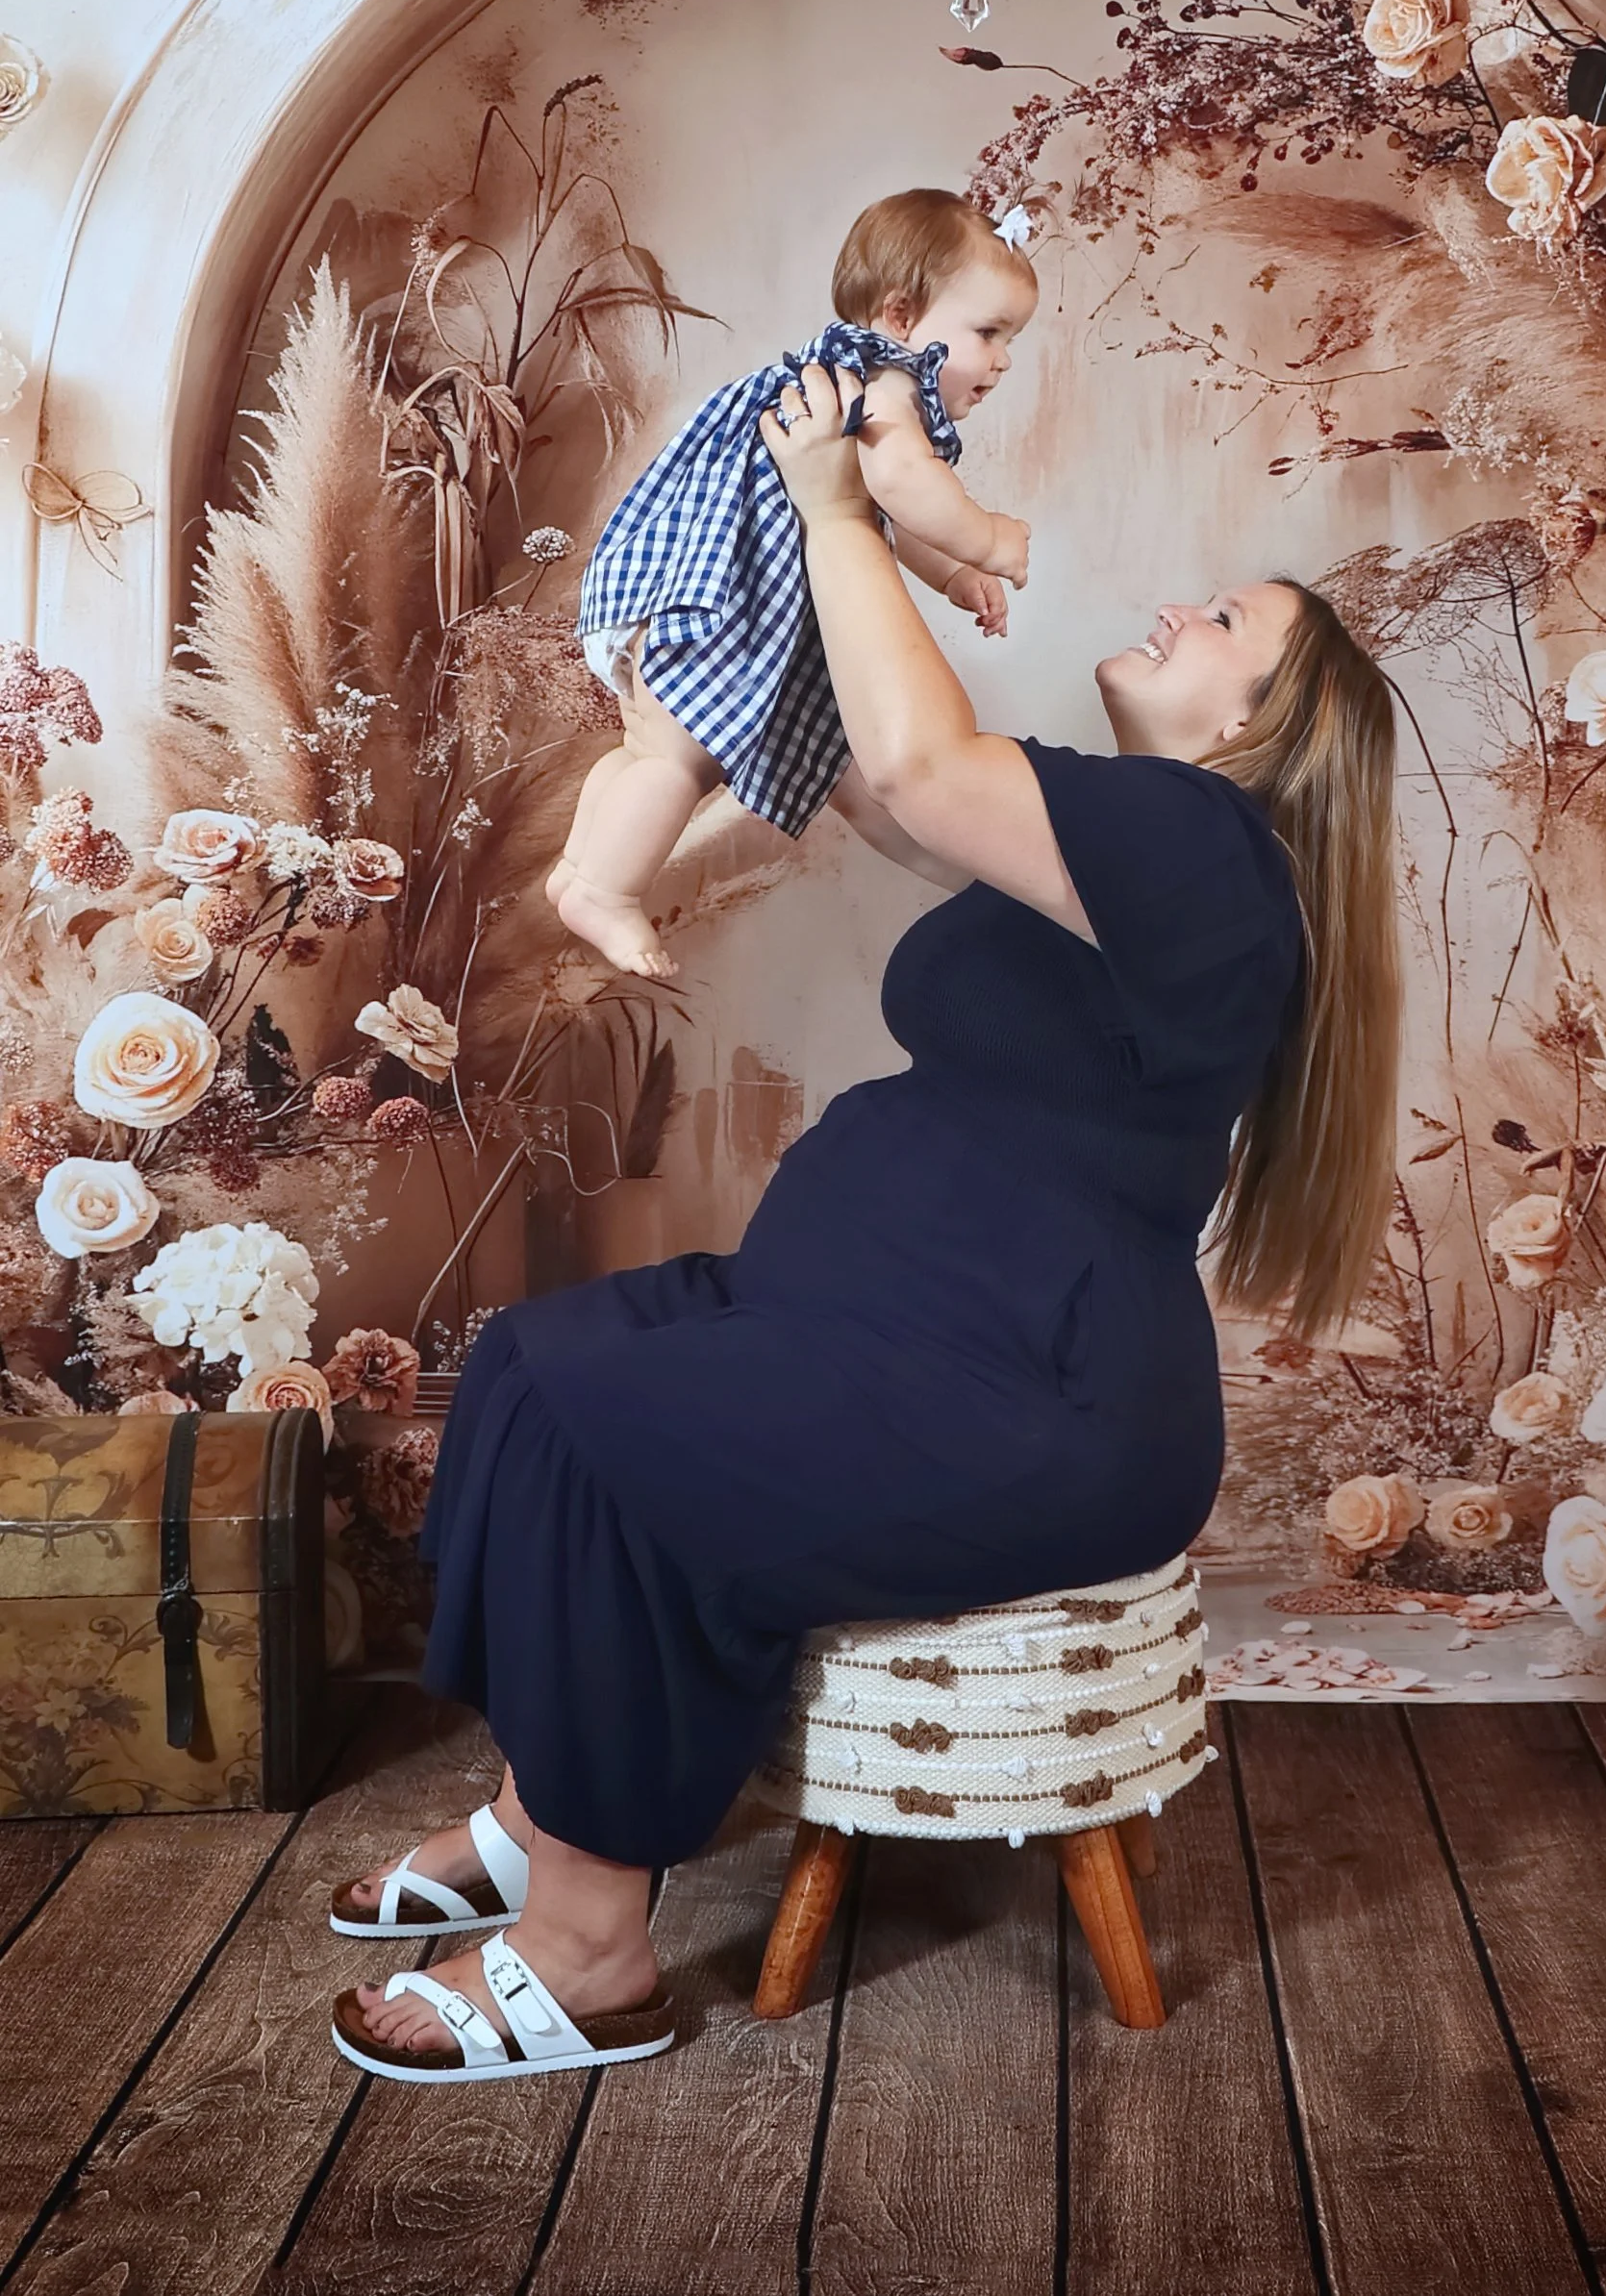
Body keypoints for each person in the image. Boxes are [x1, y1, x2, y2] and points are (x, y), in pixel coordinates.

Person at [329, 360, 1403, 2084]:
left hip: (1025, 1394)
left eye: (1223, 622)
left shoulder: (1208, 846)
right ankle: (545, 1815)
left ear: (1256, 729)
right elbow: (872, 778)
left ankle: (593, 1949)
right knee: (533, 1366)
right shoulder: (1108, 836)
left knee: (610, 1435)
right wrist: (808, 545)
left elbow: (917, 754)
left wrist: (841, 502)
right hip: (897, 1327)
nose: (1177, 608)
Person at [551, 188, 1038, 979]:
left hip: (669, 591)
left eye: (1011, 338)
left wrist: (952, 574)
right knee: (683, 763)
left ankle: (580, 870)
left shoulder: (837, 376)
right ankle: (605, 891)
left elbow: (883, 504)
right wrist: (987, 538)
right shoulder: (889, 380)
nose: (1003, 359)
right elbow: (906, 484)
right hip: (721, 611)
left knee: (643, 746)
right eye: (988, 333)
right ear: (900, 315)